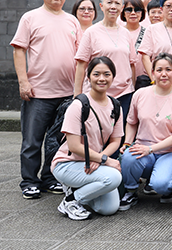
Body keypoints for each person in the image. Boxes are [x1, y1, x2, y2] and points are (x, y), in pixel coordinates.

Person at [11, 0, 81, 199]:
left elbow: (80, 55)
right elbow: (19, 50)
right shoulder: (30, 18)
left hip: (67, 93)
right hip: (38, 92)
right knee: (32, 140)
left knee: (57, 141)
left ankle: (50, 178)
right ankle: (29, 181)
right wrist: (23, 81)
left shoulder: (72, 21)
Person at [51, 56, 123, 220]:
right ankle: (71, 200)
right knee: (113, 177)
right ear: (88, 77)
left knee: (109, 208)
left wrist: (100, 158)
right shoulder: (78, 106)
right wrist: (105, 160)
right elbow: (74, 146)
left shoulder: (115, 106)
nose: (101, 79)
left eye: (107, 74)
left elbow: (116, 141)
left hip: (92, 162)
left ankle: (77, 189)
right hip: (67, 164)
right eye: (96, 74)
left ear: (113, 77)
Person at [118, 53, 172, 210]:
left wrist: (150, 149)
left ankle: (168, 187)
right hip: (143, 147)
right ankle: (131, 191)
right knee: (129, 157)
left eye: (168, 69)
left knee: (161, 184)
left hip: (171, 151)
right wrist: (127, 143)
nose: (164, 74)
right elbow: (131, 122)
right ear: (152, 73)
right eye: (159, 70)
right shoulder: (140, 94)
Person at [74, 0, 137, 123]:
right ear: (102, 6)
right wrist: (77, 95)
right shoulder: (91, 32)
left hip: (124, 93)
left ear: (122, 8)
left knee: (120, 131)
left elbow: (131, 64)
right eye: (109, 2)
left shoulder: (126, 33)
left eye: (117, 3)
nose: (113, 6)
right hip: (97, 92)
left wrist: (132, 89)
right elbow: (81, 65)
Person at [122, 0, 147, 78]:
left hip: (144, 79)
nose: (133, 13)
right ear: (123, 12)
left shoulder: (148, 33)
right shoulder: (118, 33)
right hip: (122, 78)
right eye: (129, 10)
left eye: (137, 10)